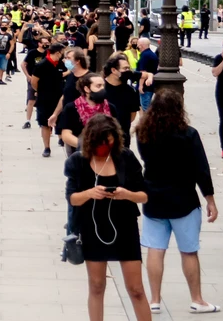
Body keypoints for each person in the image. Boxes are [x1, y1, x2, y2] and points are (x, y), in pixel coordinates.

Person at [132, 90, 217, 313]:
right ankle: (197, 300)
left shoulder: (143, 132)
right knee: (189, 251)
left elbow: (145, 160)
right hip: (183, 199)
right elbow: (201, 169)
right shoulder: (188, 134)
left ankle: (154, 300)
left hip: (153, 197)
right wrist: (210, 198)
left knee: (155, 249)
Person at [66, 113, 153, 321]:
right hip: (92, 228)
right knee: (96, 286)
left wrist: (126, 195)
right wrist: (90, 193)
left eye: (109, 141)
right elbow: (72, 199)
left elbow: (144, 195)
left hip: (124, 227)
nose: (104, 146)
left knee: (136, 288)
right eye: (99, 142)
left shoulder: (125, 158)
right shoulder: (78, 161)